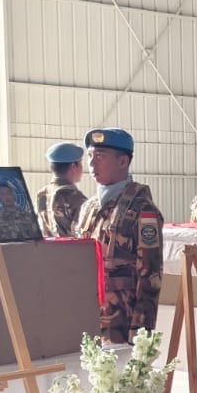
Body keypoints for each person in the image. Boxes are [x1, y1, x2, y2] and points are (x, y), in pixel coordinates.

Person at [73, 128, 164, 344]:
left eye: (100, 157)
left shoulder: (142, 210)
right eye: (90, 157)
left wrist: (140, 333)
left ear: (123, 162)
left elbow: (150, 276)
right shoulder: (89, 207)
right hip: (88, 319)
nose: (92, 164)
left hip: (122, 324)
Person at [36, 141, 86, 237]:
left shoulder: (42, 194)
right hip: (71, 251)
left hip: (47, 251)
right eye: (80, 163)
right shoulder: (74, 196)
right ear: (73, 166)